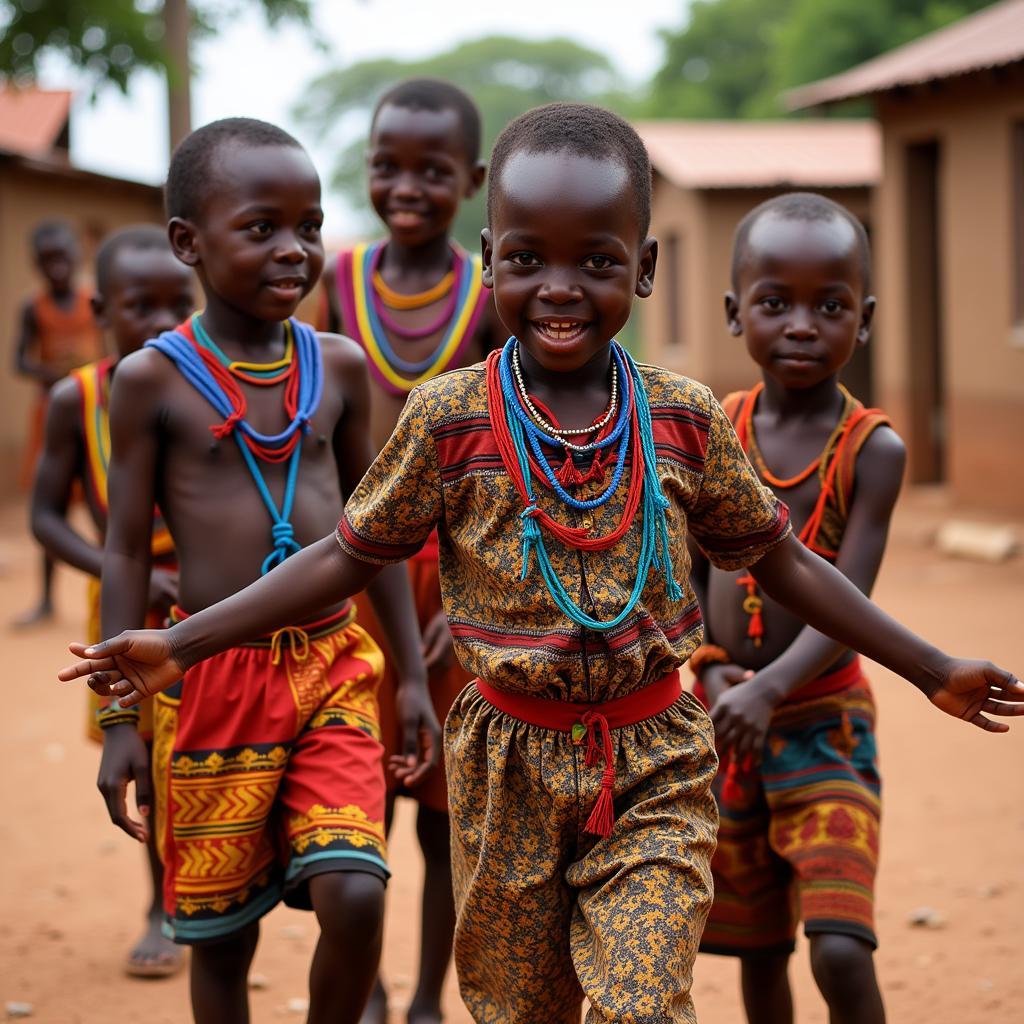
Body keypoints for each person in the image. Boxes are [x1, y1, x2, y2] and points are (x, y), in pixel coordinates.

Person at [62, 105, 1024, 1024]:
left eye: (597, 262)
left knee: (643, 999)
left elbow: (787, 563)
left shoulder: (682, 418)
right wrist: (184, 643)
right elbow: (344, 556)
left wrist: (931, 666)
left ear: (644, 269)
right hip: (506, 764)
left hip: (654, 759)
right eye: (526, 259)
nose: (559, 288)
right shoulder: (448, 419)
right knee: (526, 1006)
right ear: (489, 263)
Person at [66, 118, 439, 1024]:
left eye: (309, 227)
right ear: (189, 242)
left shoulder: (341, 368)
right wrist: (121, 719)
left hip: (334, 666)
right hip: (208, 679)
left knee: (355, 892)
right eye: (261, 227)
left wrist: (415, 677)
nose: (294, 250)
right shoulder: (150, 381)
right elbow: (122, 549)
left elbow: (373, 534)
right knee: (221, 935)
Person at [688, 192, 906, 1024]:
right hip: (727, 723)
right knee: (757, 946)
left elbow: (850, 601)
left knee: (841, 948)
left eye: (832, 305)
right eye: (776, 304)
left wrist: (771, 687)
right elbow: (688, 571)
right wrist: (712, 673)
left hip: (825, 725)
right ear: (736, 310)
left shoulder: (871, 450)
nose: (803, 325)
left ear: (867, 317)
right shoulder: (711, 428)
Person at [319, 76, 498, 1024]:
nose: (408, 186)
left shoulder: (488, 292)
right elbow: (314, 417)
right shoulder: (339, 282)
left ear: (469, 179)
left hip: (459, 577)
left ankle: (430, 995)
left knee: (441, 813)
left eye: (433, 171)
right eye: (389, 166)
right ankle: (372, 987)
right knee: (357, 801)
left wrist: (473, 602)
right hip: (355, 568)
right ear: (368, 168)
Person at [30, 223, 194, 977]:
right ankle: (161, 903)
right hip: (126, 604)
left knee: (216, 751)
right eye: (140, 307)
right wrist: (116, 567)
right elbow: (44, 517)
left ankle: (219, 889)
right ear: (102, 310)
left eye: (177, 305)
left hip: (207, 609)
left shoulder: (215, 385)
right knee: (150, 764)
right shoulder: (77, 399)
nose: (161, 324)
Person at [14, 220, 106, 626]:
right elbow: (18, 360)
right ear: (38, 265)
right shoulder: (33, 310)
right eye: (47, 261)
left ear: (74, 258)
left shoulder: (94, 302)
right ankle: (47, 599)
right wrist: (55, 375)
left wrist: (87, 379)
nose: (56, 267)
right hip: (52, 413)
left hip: (95, 411)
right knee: (51, 505)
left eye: (62, 258)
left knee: (103, 496)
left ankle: (114, 581)